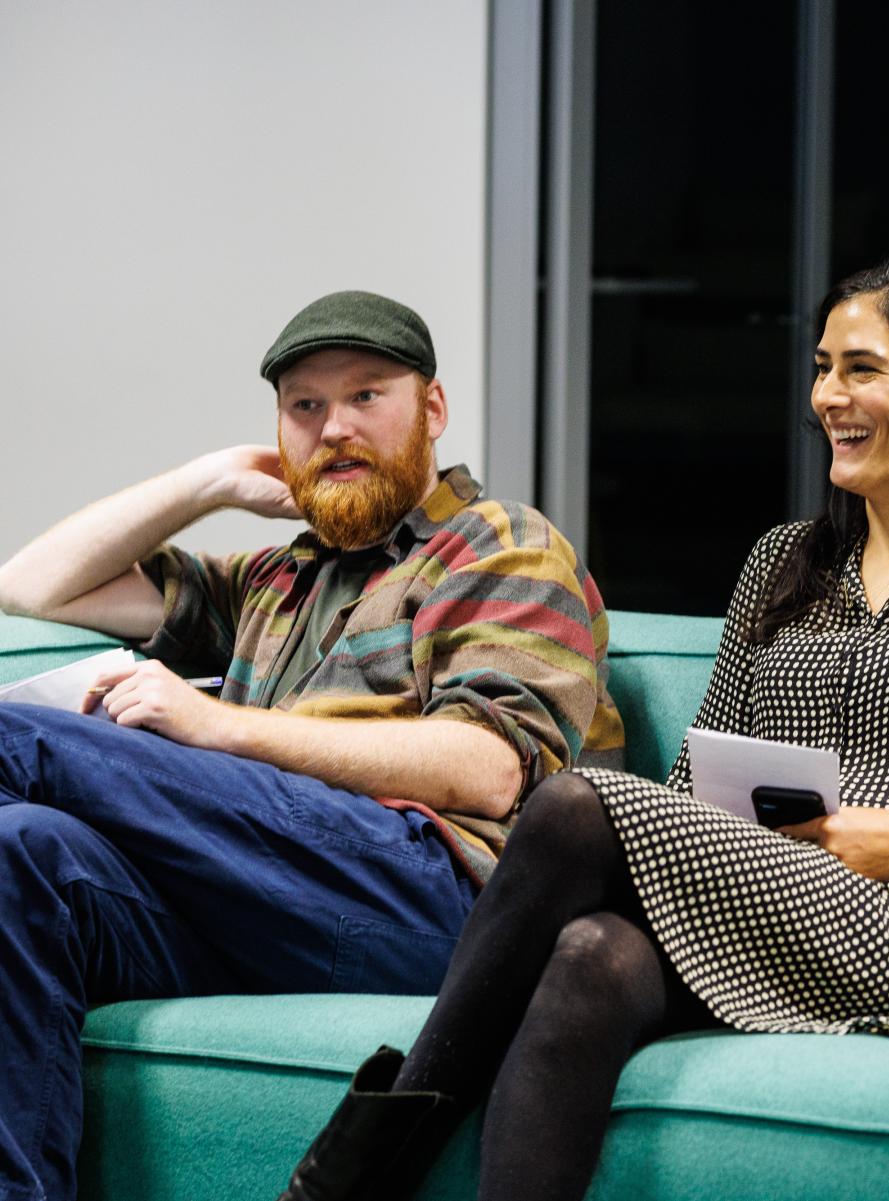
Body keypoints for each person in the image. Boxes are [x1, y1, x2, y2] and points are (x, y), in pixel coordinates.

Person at [278, 258, 889, 1201]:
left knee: (572, 806)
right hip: (771, 908)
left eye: (862, 369)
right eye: (822, 369)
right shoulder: (783, 563)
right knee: (590, 957)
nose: (830, 397)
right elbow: (694, 785)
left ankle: (366, 1167)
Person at [0, 291, 621, 1201]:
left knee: (20, 741)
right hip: (269, 897)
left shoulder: (500, 544)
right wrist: (210, 479)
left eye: (366, 395)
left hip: (436, 897)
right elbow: (30, 585)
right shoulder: (277, 579)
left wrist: (216, 725)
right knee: (20, 853)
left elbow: (490, 768)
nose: (334, 427)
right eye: (305, 406)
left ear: (433, 409)